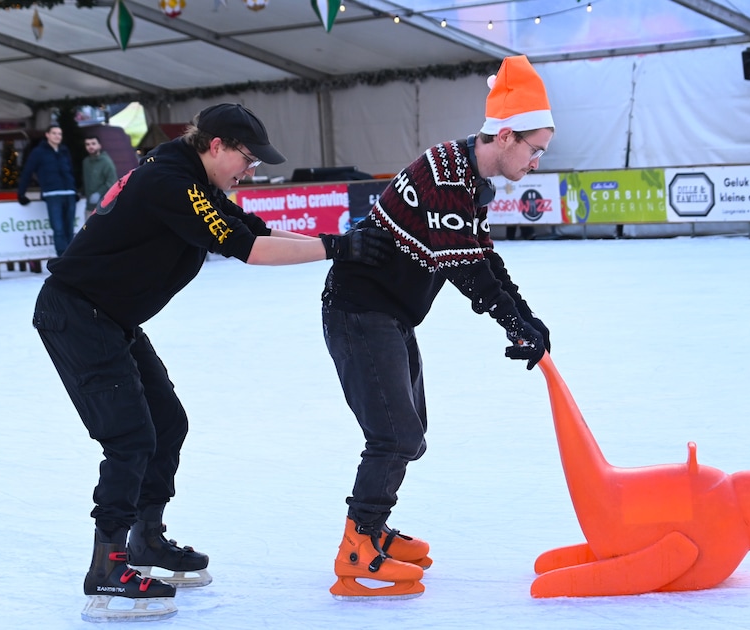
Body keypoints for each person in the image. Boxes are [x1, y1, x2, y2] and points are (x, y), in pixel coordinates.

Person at [31, 103, 393, 622]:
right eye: (247, 159)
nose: (250, 171)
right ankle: (107, 567)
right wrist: (337, 249)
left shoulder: (189, 178)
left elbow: (255, 228)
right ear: (216, 145)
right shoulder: (171, 185)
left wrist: (342, 245)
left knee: (167, 423)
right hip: (78, 316)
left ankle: (146, 542)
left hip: (109, 317)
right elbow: (250, 250)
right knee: (130, 436)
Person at [321, 55, 553, 600]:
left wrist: (526, 316)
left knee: (410, 433)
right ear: (503, 134)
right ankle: (357, 548)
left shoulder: (471, 181)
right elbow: (466, 268)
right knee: (394, 434)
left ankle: (372, 531)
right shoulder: (444, 172)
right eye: (534, 149)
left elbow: (482, 256)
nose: (537, 162)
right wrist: (512, 321)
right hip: (359, 310)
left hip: (391, 313)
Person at [17, 124, 77, 257]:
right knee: (58, 229)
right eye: (54, 133)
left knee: (69, 229)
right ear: (47, 135)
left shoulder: (64, 150)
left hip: (69, 193)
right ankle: (62, 258)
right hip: (52, 194)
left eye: (59, 134)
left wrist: (75, 189)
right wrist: (21, 193)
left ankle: (72, 258)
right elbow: (27, 172)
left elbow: (71, 171)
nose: (57, 136)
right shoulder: (38, 152)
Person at [82, 135, 118, 214]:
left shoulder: (106, 162)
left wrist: (99, 193)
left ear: (99, 145)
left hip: (104, 206)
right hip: (89, 206)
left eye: (93, 143)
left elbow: (112, 181)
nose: (90, 146)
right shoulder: (86, 162)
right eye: (87, 144)